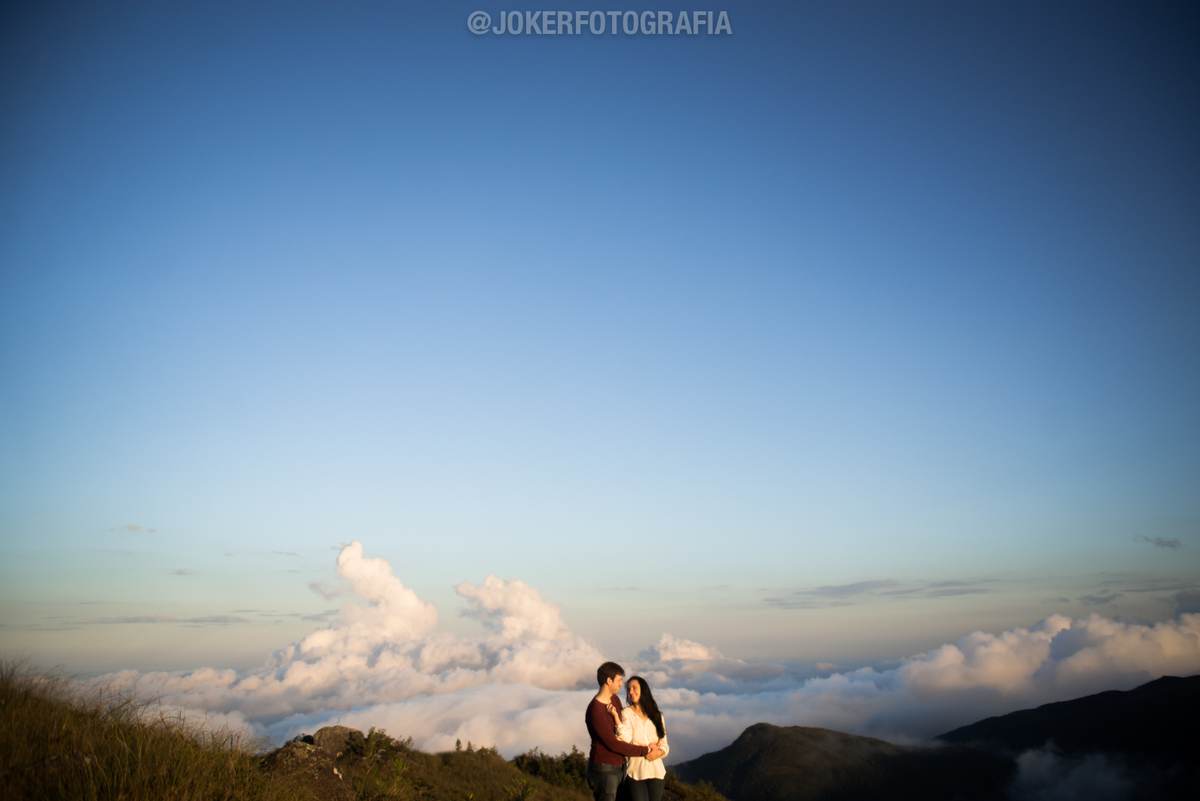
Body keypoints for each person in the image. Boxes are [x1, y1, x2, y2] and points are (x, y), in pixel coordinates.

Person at [586, 662, 665, 801]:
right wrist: (646, 750)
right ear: (609, 681)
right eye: (619, 680)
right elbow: (614, 744)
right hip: (604, 768)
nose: (622, 685)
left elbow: (623, 731)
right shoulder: (596, 711)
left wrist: (660, 750)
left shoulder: (614, 699)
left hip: (618, 766)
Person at [608, 675, 669, 801]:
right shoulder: (626, 713)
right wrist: (616, 719)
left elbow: (664, 743)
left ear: (644, 690)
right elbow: (625, 740)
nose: (631, 692)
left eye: (634, 688)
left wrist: (660, 752)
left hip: (656, 771)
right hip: (634, 772)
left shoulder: (658, 715)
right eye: (629, 689)